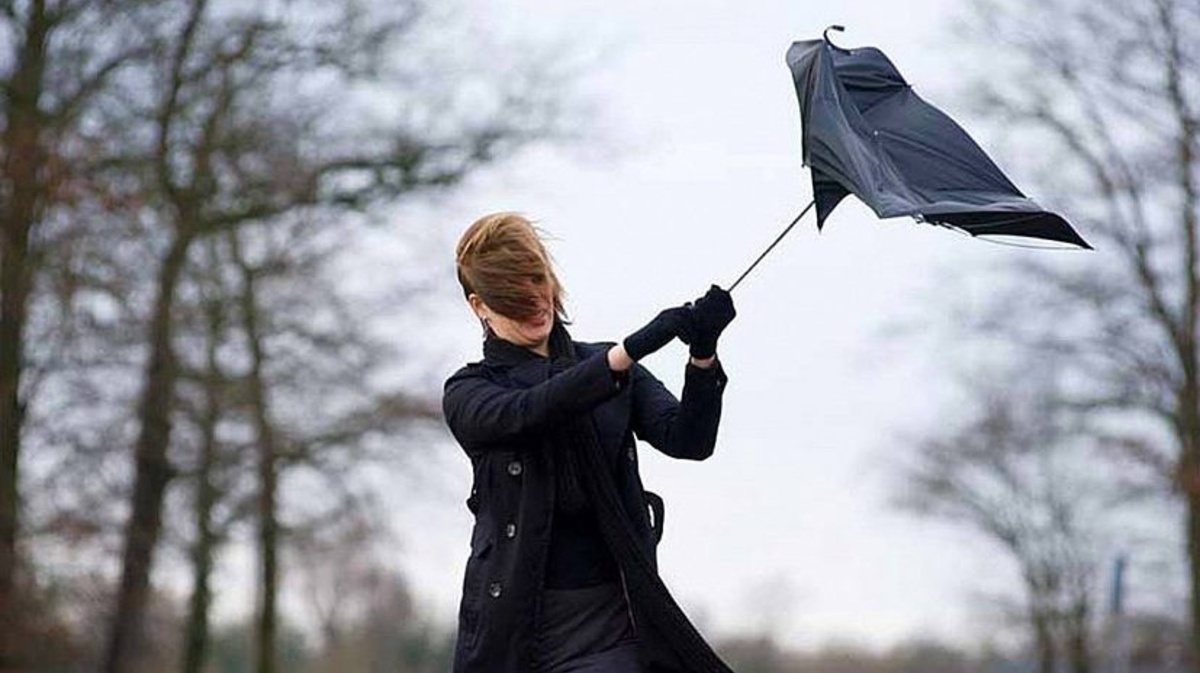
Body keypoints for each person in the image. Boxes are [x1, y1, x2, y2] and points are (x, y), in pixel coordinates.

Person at [443, 212, 737, 673]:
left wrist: (703, 357)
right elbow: (530, 410)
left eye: (538, 283)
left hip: (612, 621)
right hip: (514, 631)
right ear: (480, 306)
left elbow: (688, 440)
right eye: (515, 300)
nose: (535, 304)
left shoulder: (607, 364)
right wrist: (626, 354)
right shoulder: (470, 391)